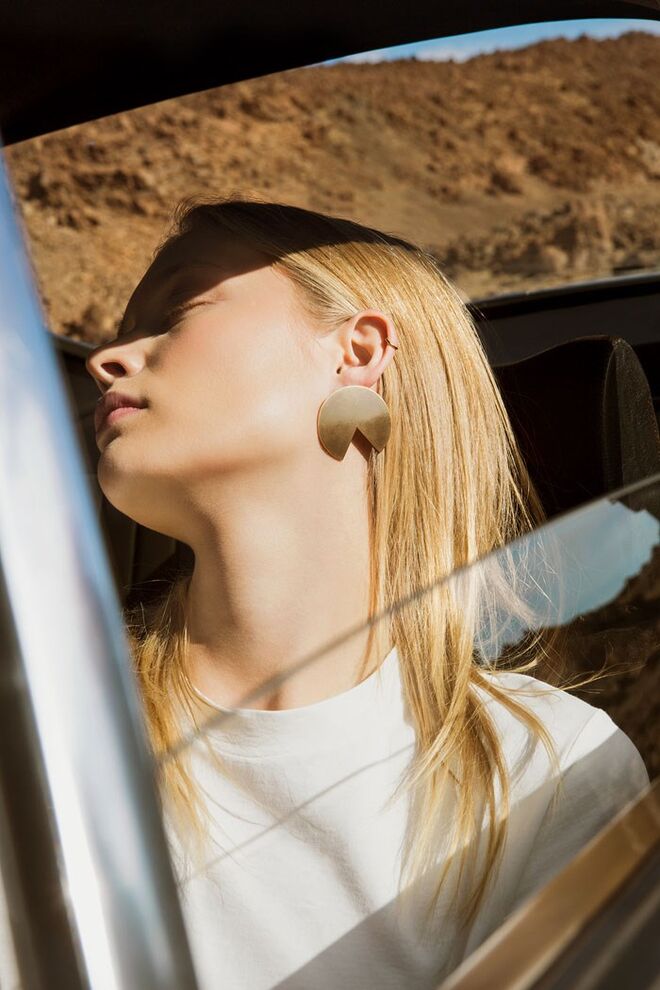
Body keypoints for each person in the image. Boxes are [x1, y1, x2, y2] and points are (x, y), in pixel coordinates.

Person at [83, 198, 648, 990]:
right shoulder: (52, 728)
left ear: (357, 352)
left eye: (176, 312)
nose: (105, 358)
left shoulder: (546, 773)